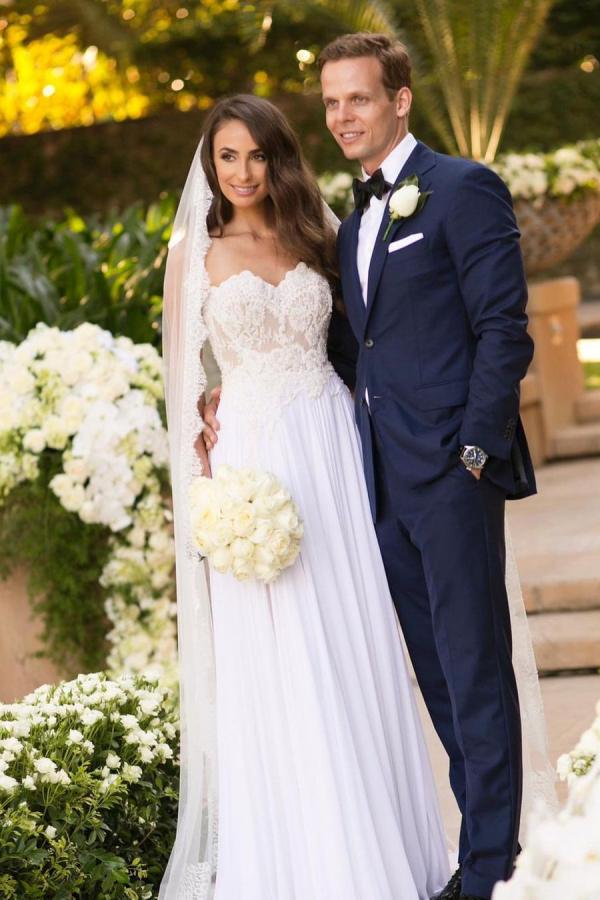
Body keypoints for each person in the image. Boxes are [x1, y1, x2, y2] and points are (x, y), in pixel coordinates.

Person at [202, 34, 557, 900]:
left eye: (358, 98)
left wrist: (474, 450)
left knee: (475, 670)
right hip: (373, 484)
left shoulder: (462, 188)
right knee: (437, 677)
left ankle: (490, 868)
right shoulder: (350, 223)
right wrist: (225, 393)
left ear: (400, 99)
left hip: (451, 475)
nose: (343, 116)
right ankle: (482, 850)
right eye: (331, 102)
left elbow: (503, 329)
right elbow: (349, 347)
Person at [159, 93, 450, 900]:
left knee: (357, 638)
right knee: (285, 655)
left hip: (333, 446)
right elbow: (182, 386)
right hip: (255, 464)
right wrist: (202, 469)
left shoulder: (317, 232)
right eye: (228, 156)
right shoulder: (195, 253)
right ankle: (311, 867)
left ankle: (390, 850)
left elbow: (366, 337)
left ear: (277, 157)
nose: (243, 171)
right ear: (210, 163)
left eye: (257, 154)